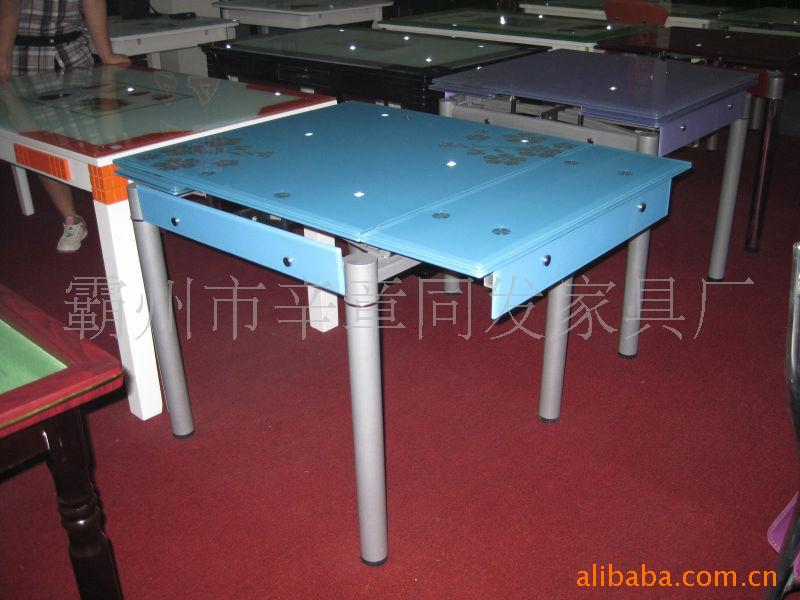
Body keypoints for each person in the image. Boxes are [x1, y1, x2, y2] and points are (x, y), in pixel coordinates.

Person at [0, 0, 130, 252]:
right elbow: (8, 10)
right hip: (27, 56)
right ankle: (71, 218)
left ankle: (121, 209)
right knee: (42, 142)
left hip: (73, 52)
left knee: (99, 133)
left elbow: (93, 2)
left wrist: (105, 53)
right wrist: (2, 57)